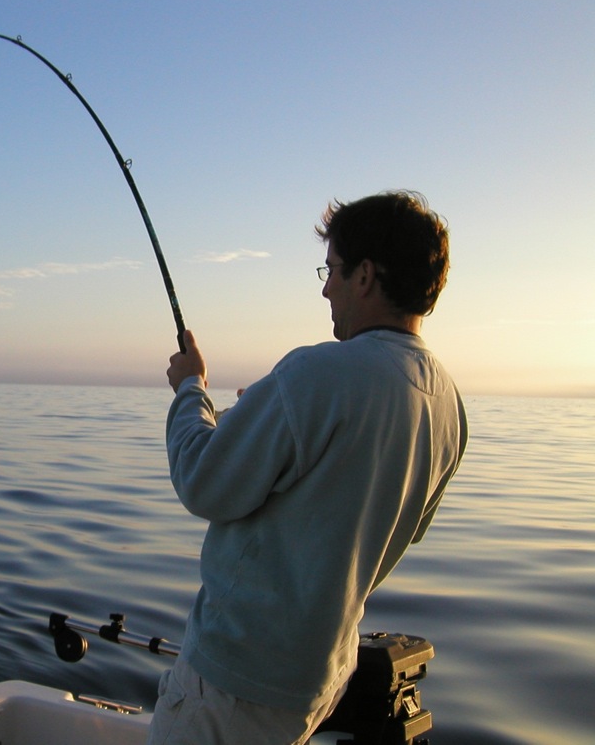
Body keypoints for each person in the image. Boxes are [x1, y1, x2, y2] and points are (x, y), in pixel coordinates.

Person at [148, 191, 468, 745]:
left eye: (334, 270)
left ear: (365, 275)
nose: (326, 287)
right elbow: (398, 522)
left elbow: (203, 480)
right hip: (318, 679)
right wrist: (267, 420)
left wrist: (190, 390)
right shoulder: (448, 403)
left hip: (236, 680)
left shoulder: (318, 372)